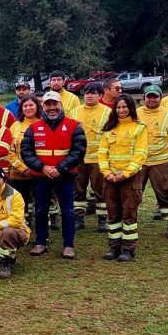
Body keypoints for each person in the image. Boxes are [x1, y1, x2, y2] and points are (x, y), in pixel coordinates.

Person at [21, 90, 87, 259]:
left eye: (54, 104)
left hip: (65, 176)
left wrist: (60, 168)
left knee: (67, 211)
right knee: (40, 210)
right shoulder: (33, 127)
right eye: (48, 104)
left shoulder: (74, 126)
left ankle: (68, 245)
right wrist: (43, 168)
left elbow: (78, 151)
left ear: (60, 105)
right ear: (42, 106)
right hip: (41, 176)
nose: (51, 108)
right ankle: (41, 242)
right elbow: (26, 152)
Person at [98, 94, 148, 261]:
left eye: (124, 107)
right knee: (113, 213)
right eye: (118, 107)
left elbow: (141, 154)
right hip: (110, 178)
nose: (121, 110)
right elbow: (102, 153)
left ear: (131, 108)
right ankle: (114, 247)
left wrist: (125, 173)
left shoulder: (139, 127)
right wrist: (107, 173)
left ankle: (128, 249)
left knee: (129, 213)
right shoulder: (108, 128)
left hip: (130, 178)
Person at [69, 82, 112, 231]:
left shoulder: (107, 112)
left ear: (100, 96)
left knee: (100, 190)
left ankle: (102, 220)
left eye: (93, 93)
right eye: (87, 92)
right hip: (78, 159)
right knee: (78, 190)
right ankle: (78, 219)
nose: (89, 95)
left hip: (98, 159)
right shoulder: (74, 112)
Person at [139, 85, 168, 238]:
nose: (152, 99)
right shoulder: (135, 114)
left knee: (166, 192)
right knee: (133, 192)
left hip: (161, 161)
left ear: (160, 97)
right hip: (139, 162)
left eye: (155, 97)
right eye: (149, 96)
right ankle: (128, 221)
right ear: (144, 98)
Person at [7, 94, 42, 220]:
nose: (28, 108)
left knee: (40, 200)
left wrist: (38, 168)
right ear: (21, 109)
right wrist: (23, 168)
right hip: (19, 173)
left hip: (40, 172)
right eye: (25, 106)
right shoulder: (15, 126)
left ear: (37, 106)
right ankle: (23, 222)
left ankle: (42, 222)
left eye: (31, 105)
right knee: (21, 201)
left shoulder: (44, 123)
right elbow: (9, 151)